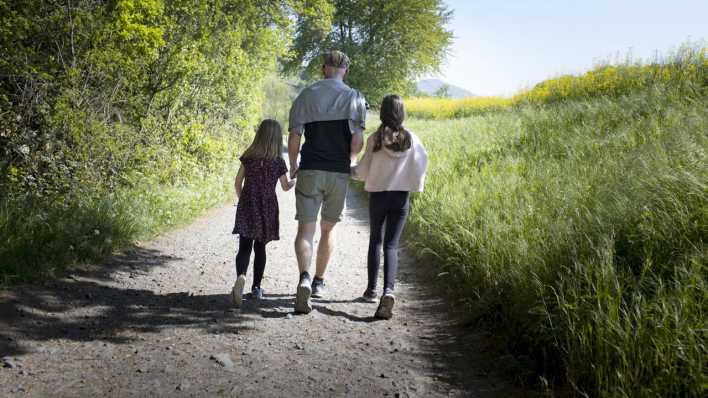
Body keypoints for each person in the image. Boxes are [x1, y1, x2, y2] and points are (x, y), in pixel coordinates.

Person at [287, 50, 368, 314]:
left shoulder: (306, 95)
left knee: (305, 231)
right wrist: (350, 159)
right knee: (328, 230)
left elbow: (295, 137)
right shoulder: (354, 97)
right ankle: (320, 282)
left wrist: (293, 165)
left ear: (324, 69)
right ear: (346, 69)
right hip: (337, 173)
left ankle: (304, 279)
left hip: (310, 169)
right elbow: (357, 141)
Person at [352, 95, 428, 319]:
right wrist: (413, 185)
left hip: (378, 196)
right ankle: (389, 290)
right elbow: (422, 164)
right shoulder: (412, 139)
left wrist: (352, 170)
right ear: (401, 113)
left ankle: (371, 291)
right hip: (401, 197)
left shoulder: (375, 139)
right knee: (392, 245)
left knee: (376, 239)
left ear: (383, 113)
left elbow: (363, 170)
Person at [232, 119, 295, 307]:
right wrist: (294, 181)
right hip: (267, 207)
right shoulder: (278, 161)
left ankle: (240, 278)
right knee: (260, 248)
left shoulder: (248, 156)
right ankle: (257, 287)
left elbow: (237, 182)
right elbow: (284, 187)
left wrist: (242, 200)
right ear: (276, 139)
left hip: (247, 204)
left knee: (244, 246)